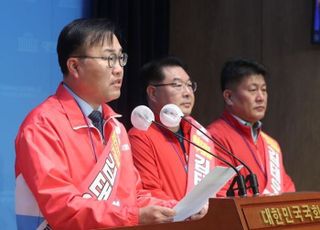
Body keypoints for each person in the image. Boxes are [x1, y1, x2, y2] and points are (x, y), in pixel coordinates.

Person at [15, 18, 177, 230]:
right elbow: (62, 209)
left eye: (121, 58)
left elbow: (133, 196)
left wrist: (177, 208)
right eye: (109, 58)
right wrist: (135, 216)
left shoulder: (115, 127)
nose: (119, 69)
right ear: (74, 66)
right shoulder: (42, 125)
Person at [128, 57, 216, 206]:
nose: (187, 93)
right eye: (177, 85)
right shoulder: (140, 135)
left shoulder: (199, 134)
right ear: (153, 93)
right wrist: (186, 211)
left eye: (189, 85)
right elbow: (149, 191)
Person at [207, 58, 295, 196]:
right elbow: (222, 194)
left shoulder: (270, 143)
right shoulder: (214, 136)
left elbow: (287, 188)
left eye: (264, 90)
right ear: (229, 97)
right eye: (253, 90)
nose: (261, 97)